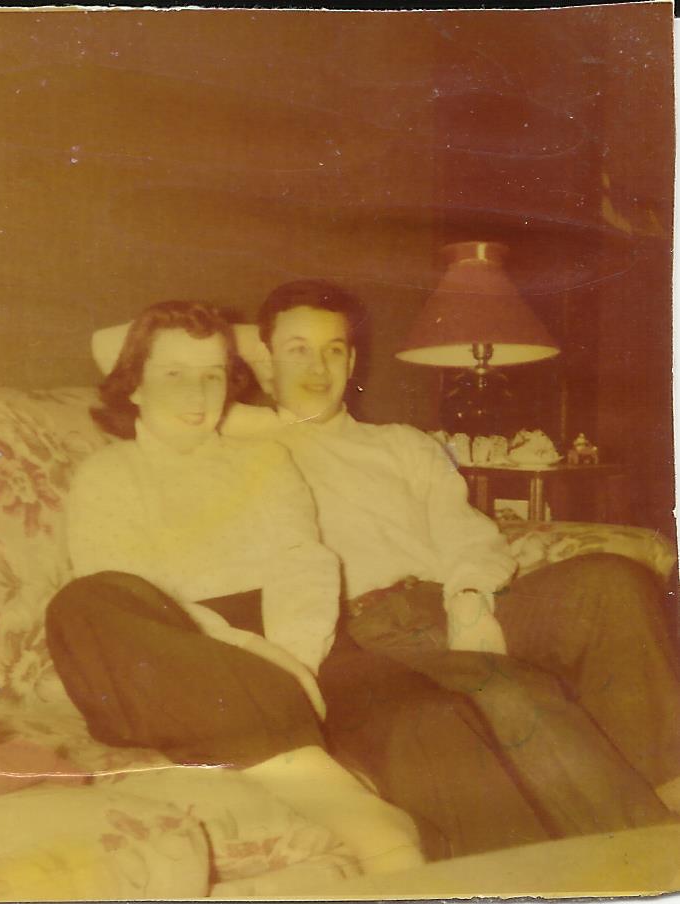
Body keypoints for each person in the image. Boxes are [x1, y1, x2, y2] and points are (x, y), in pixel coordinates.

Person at [250, 278, 680, 841]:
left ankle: (665, 793)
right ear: (266, 363)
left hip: (453, 597)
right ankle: (645, 845)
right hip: (366, 632)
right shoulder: (247, 454)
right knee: (503, 687)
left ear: (352, 362)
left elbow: (467, 534)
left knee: (614, 582)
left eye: (333, 349)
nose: (318, 367)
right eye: (297, 350)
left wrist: (471, 600)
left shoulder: (403, 444)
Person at [45, 299, 425, 875]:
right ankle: (352, 808)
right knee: (85, 602)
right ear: (135, 385)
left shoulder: (266, 458)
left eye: (213, 375)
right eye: (174, 375)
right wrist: (250, 653)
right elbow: (129, 596)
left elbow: (304, 563)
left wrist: (293, 659)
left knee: (430, 717)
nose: (197, 395)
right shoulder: (107, 475)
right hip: (170, 654)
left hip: (288, 639)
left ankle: (360, 818)